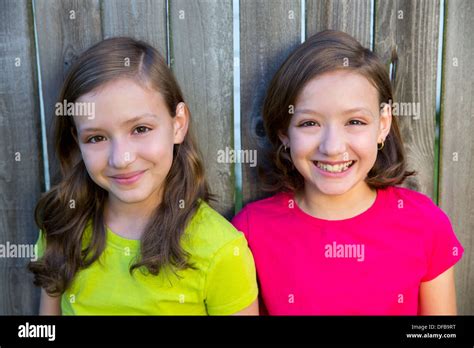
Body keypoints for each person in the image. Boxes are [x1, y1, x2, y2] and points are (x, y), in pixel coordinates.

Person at [232, 30, 463, 315]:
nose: (332, 147)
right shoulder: (251, 231)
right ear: (284, 133)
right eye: (309, 123)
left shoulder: (426, 225)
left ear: (383, 124)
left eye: (354, 121)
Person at [29, 37, 258, 315]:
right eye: (97, 137)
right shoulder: (62, 228)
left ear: (178, 124)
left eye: (140, 129)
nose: (121, 159)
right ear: (77, 140)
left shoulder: (221, 251)